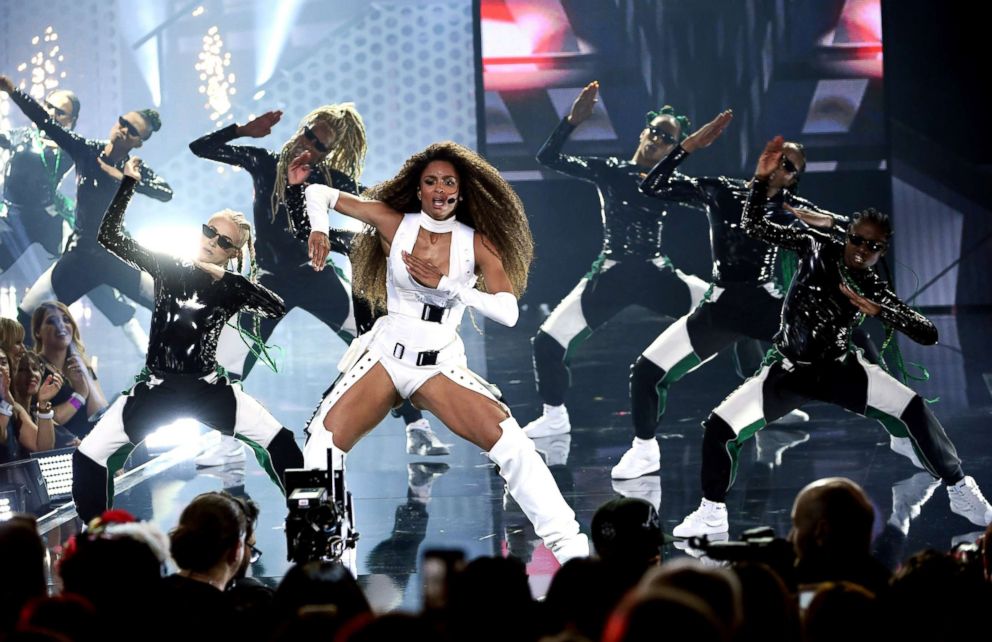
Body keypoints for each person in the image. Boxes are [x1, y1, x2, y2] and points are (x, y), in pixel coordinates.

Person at [673, 136, 992, 537]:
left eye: (872, 246)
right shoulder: (813, 245)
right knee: (719, 428)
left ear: (882, 251)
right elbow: (754, 224)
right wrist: (758, 181)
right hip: (789, 371)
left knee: (913, 409)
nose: (861, 250)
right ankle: (712, 511)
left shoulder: (873, 285)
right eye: (857, 240)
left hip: (842, 370)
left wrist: (881, 310)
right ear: (846, 234)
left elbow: (927, 333)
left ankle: (960, 489)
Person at [297, 141, 589, 562]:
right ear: (419, 190)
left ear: (460, 192)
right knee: (320, 447)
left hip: (437, 366)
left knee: (512, 443)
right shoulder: (395, 223)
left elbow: (507, 311)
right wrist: (319, 228)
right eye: (430, 181)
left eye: (448, 182)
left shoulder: (477, 243)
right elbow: (317, 193)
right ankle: (325, 565)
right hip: (385, 355)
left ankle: (573, 552)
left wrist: (450, 286)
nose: (439, 189)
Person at [189, 106, 447, 462]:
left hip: (315, 276)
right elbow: (199, 147)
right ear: (301, 128)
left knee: (378, 343)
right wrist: (242, 130)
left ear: (330, 152)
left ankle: (417, 429)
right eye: (308, 133)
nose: (307, 146)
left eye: (319, 145)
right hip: (269, 281)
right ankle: (228, 441)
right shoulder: (264, 162)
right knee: (230, 358)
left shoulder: (327, 179)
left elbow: (375, 199)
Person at [613, 110, 858, 480]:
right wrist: (689, 146)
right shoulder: (722, 189)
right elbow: (652, 186)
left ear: (794, 178)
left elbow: (855, 232)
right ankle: (645, 450)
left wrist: (828, 224)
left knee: (845, 355)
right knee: (646, 372)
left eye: (791, 167)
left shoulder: (791, 211)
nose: (781, 167)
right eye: (778, 156)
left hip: (764, 304)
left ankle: (897, 419)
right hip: (721, 305)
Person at [70, 158, 303, 523]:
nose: (212, 241)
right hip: (156, 390)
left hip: (208, 390)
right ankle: (98, 539)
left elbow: (275, 307)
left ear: (233, 253)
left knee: (282, 442)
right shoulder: (169, 266)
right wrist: (129, 184)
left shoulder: (233, 287)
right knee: (88, 456)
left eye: (224, 241)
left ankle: (310, 520)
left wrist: (231, 279)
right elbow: (110, 237)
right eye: (210, 231)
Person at [523, 81, 711, 438]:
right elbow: (548, 158)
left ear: (676, 148)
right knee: (546, 342)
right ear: (643, 133)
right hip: (612, 275)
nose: (657, 140)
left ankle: (762, 390)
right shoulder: (609, 169)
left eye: (667, 139)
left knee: (734, 310)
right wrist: (571, 122)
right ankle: (554, 416)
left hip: (656, 275)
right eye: (655, 132)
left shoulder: (671, 183)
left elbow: (715, 201)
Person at [0, 74, 171, 348]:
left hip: (115, 254)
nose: (124, 130)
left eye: (133, 131)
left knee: (173, 306)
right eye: (123, 122)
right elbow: (43, 120)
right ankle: (22, 376)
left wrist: (126, 179)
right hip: (80, 254)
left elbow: (166, 192)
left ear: (139, 142)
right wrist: (11, 90)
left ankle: (187, 368)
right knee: (27, 314)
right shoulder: (85, 150)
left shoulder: (134, 168)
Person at [789, 477, 891, 595]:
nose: (791, 537)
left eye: (797, 525)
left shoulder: (796, 594)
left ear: (821, 530)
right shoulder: (891, 591)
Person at [30, 301, 107, 441]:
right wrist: (80, 396)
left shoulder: (81, 366)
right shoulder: (33, 368)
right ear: (37, 331)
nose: (61, 325)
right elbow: (45, 420)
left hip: (87, 448)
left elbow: (99, 415)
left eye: (66, 320)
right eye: (52, 321)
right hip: (58, 453)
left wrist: (84, 373)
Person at [1, 348, 59, 463]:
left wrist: (43, 405)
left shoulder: (15, 408)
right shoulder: (8, 406)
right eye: (23, 370)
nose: (0, 368)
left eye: (3, 363)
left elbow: (44, 449)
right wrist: (79, 398)